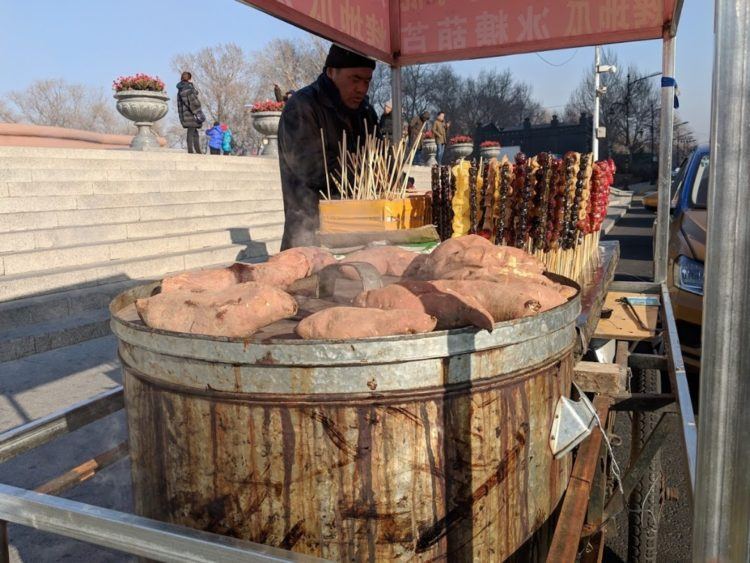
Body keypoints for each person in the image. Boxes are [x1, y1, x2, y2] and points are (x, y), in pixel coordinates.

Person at [277, 44, 378, 250]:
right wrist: (364, 175)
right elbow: (312, 169)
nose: (361, 88)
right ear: (331, 72)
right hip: (310, 231)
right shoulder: (302, 106)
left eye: (367, 81)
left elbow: (380, 158)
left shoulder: (365, 111)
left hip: (359, 231)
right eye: (355, 79)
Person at [176, 71, 204, 154]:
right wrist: (197, 110)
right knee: (192, 132)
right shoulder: (188, 88)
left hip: (185, 114)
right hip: (191, 113)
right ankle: (191, 151)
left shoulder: (181, 88)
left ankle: (197, 150)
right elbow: (192, 102)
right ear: (189, 78)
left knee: (194, 132)